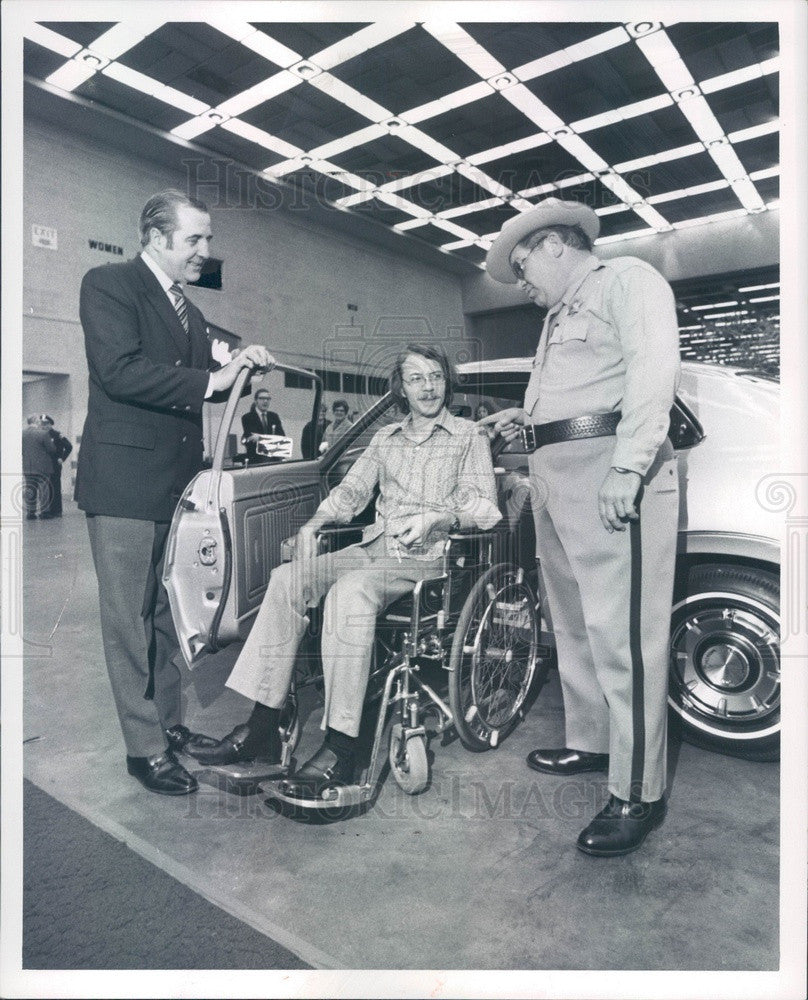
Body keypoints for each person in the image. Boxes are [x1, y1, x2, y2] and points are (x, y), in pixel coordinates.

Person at [197, 344, 502, 801]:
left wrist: (440, 519)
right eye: (416, 378)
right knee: (288, 580)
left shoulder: (467, 436)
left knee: (350, 590)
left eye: (435, 376)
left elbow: (485, 508)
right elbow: (352, 491)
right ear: (400, 388)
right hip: (372, 547)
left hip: (427, 558)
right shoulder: (385, 439)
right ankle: (262, 726)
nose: (428, 387)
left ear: (447, 382)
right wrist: (314, 524)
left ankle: (343, 747)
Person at [481, 197, 680, 857]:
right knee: (574, 626)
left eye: (523, 265)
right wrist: (524, 421)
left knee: (625, 636)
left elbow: (653, 371)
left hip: (608, 478)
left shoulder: (628, 280)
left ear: (555, 244)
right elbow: (580, 390)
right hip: (556, 483)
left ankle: (637, 791)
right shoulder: (559, 313)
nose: (522, 282)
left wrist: (628, 468)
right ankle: (592, 743)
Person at [75, 188, 275, 796]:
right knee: (128, 624)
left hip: (174, 488)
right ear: (156, 237)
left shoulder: (184, 308)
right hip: (124, 485)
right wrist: (212, 378)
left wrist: (240, 357)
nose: (205, 251)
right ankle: (144, 750)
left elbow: (214, 352)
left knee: (166, 617)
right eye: (194, 239)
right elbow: (120, 369)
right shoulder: (109, 285)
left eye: (207, 239)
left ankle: (167, 724)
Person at [22, 415, 57, 519]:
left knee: (30, 489)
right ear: (37, 421)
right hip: (43, 467)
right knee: (44, 490)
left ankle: (30, 513)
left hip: (28, 466)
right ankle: (45, 512)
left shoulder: (21, 434)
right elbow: (52, 449)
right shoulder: (43, 433)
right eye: (39, 421)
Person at [40, 415, 72, 518]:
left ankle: (57, 510)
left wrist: (62, 458)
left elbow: (69, 446)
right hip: (44, 465)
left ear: (50, 424)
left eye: (46, 424)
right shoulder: (40, 435)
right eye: (42, 424)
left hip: (54, 465)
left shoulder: (57, 435)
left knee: (55, 487)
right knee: (46, 488)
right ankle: (47, 510)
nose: (44, 426)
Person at [241, 387, 285, 462]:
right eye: (262, 398)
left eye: (268, 399)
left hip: (273, 460)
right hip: (256, 461)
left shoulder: (274, 416)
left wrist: (260, 437)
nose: (265, 401)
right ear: (256, 401)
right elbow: (253, 441)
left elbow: (282, 437)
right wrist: (272, 440)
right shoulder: (247, 417)